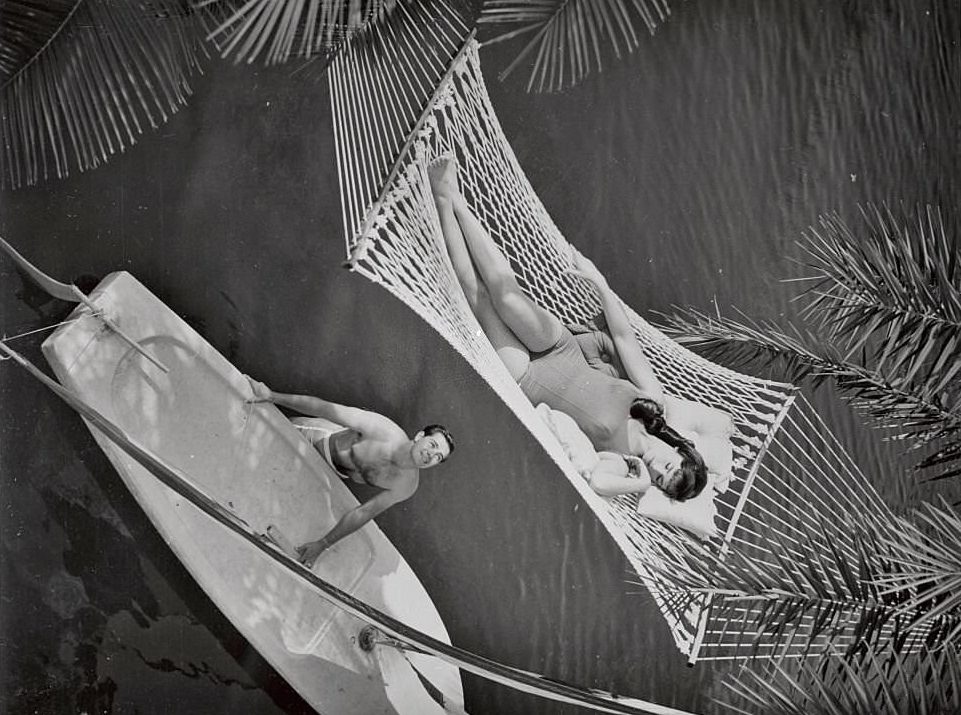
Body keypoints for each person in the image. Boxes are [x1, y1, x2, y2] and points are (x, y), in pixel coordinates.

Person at [428, 156, 731, 502]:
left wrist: (641, 482)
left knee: (477, 296)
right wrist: (600, 284)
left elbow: (598, 484)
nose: (661, 471)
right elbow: (624, 339)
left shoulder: (624, 464)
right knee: (506, 295)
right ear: (682, 452)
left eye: (663, 481)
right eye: (673, 468)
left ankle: (440, 199)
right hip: (561, 349)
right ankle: (457, 199)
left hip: (528, 379)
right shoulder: (654, 404)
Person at [246, 377, 454, 566]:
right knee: (255, 444)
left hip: (330, 474)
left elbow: (364, 512)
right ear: (419, 436)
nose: (431, 455)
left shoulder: (406, 485)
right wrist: (272, 396)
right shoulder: (382, 430)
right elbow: (324, 408)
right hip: (314, 440)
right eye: (433, 445)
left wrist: (322, 544)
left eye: (438, 458)